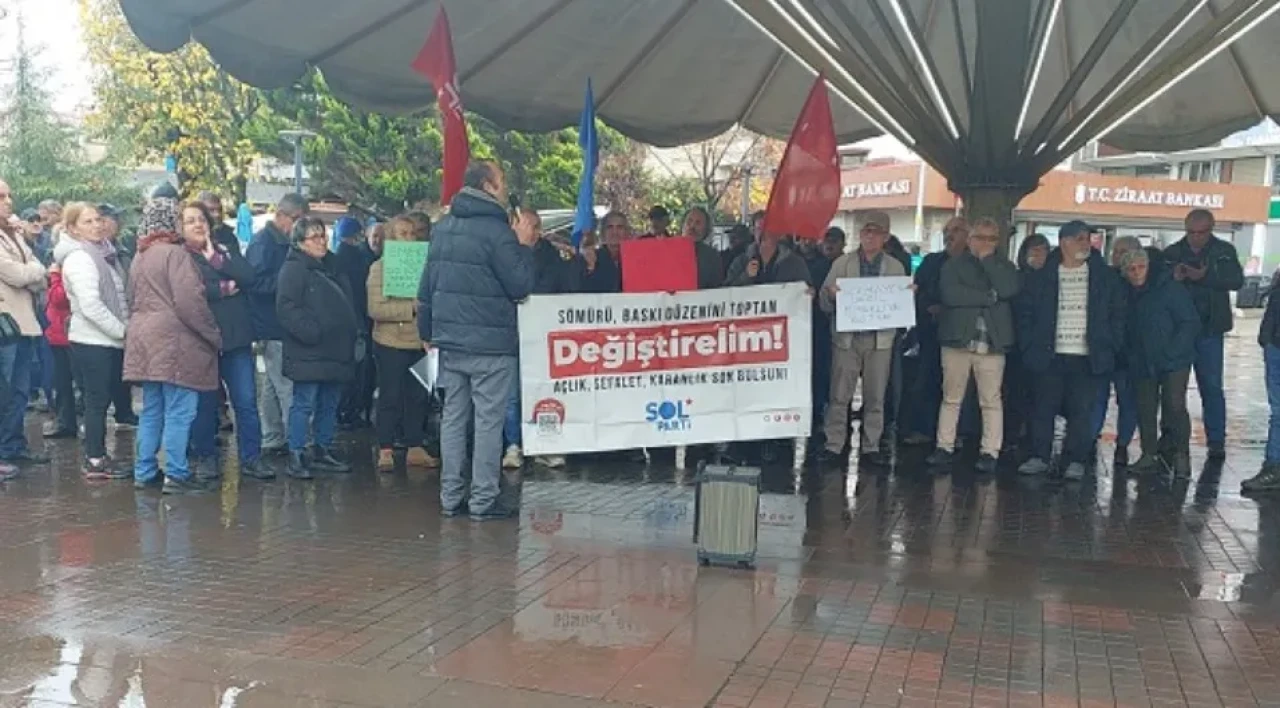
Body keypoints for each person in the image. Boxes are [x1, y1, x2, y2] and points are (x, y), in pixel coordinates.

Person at [418, 159, 537, 521]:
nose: (504, 188)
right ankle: (483, 500)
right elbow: (520, 285)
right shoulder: (498, 231)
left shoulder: (443, 226)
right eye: (500, 182)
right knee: (488, 420)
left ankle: (450, 497)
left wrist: (427, 332)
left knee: (454, 416)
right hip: (490, 344)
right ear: (488, 185)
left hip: (449, 340)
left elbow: (427, 286)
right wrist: (523, 246)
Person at [125, 199, 223, 495]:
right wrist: (213, 335)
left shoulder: (139, 256)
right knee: (180, 410)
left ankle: (144, 470)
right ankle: (177, 474)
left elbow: (132, 299)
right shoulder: (177, 255)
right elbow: (190, 302)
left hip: (144, 340)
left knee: (152, 409)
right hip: (175, 341)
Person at [1017, 221, 1126, 481]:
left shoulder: (1105, 277)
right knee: (1043, 408)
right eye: (1079, 239)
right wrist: (1030, 345)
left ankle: (1076, 459)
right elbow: (1026, 314)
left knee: (1082, 411)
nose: (1085, 243)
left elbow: (1118, 315)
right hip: (1049, 354)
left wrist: (1109, 343)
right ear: (1064, 241)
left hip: (1088, 356)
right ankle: (1039, 456)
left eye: (1087, 238)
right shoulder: (1043, 276)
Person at [180, 201, 268, 481]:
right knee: (205, 403)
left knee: (245, 401)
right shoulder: (180, 257)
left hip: (236, 337)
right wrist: (224, 287)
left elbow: (249, 276)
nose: (197, 225)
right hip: (201, 339)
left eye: (201, 219)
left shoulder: (225, 249)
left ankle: (251, 458)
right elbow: (192, 291)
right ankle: (206, 457)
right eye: (190, 220)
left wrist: (219, 264)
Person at [924, 217, 1019, 475]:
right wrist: (989, 297)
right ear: (969, 238)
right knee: (951, 397)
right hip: (958, 339)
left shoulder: (1006, 266)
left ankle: (990, 451)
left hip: (993, 342)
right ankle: (944, 446)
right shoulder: (953, 265)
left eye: (991, 239)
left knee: (991, 400)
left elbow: (1009, 289)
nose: (985, 243)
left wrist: (988, 262)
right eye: (980, 237)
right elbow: (951, 294)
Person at [818, 211, 907, 466]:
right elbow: (823, 301)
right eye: (866, 231)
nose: (869, 236)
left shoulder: (895, 267)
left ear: (885, 236)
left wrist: (906, 297)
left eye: (875, 231)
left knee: (876, 395)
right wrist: (831, 295)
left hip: (880, 341)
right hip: (847, 339)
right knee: (839, 394)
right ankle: (834, 444)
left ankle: (871, 445)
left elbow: (900, 308)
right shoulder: (842, 264)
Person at [277, 216, 358, 479]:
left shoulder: (332, 266)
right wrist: (312, 332)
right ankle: (297, 453)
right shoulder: (294, 269)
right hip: (309, 350)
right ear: (300, 242)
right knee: (304, 403)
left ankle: (322, 448)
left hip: (334, 349)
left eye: (323, 235)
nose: (321, 241)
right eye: (315, 237)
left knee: (329, 402)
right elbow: (287, 308)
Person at [1162, 209, 1243, 461]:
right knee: (1173, 389)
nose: (1196, 238)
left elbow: (1236, 280)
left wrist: (1205, 276)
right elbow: (1157, 285)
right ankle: (1170, 437)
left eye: (1202, 233)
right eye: (1192, 232)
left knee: (1211, 387)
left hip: (1210, 329)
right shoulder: (1172, 253)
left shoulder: (1224, 251)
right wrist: (1172, 276)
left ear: (1211, 229)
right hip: (1179, 331)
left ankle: (1216, 440)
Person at [57, 202, 129, 479]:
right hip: (92, 340)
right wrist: (122, 331)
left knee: (103, 397)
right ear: (73, 228)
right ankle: (95, 458)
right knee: (96, 400)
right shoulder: (80, 258)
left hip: (106, 339)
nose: (96, 226)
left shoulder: (104, 254)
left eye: (98, 220)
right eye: (87, 222)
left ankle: (97, 453)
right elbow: (91, 305)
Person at [503, 209, 580, 470]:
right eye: (528, 226)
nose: (534, 232)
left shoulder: (551, 256)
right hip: (510, 333)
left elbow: (560, 287)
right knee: (512, 393)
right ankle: (513, 444)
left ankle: (544, 444)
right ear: (514, 226)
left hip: (542, 333)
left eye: (537, 226)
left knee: (542, 391)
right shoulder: (502, 250)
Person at [1117, 247, 1198, 477]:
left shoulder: (1170, 289)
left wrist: (1173, 351)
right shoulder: (1126, 293)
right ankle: (1149, 453)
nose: (1136, 273)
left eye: (1141, 267)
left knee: (1175, 406)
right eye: (1131, 269)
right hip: (1142, 358)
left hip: (1174, 359)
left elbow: (1189, 322)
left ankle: (1182, 455)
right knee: (1146, 407)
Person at [367, 214, 437, 472]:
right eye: (402, 233)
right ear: (390, 238)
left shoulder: (425, 266)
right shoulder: (379, 268)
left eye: (412, 233)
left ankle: (414, 446)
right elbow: (375, 308)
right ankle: (385, 448)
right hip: (390, 342)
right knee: (390, 395)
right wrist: (411, 308)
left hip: (420, 342)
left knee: (419, 396)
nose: (409, 238)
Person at [246, 193, 310, 454]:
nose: (298, 225)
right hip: (271, 322)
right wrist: (287, 285)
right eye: (296, 219)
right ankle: (299, 443)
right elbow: (253, 282)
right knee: (286, 385)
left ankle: (272, 435)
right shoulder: (264, 243)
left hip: (276, 322)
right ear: (281, 215)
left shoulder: (279, 242)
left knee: (274, 385)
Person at [903, 217, 970, 446]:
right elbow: (916, 291)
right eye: (947, 231)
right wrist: (927, 306)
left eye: (956, 230)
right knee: (926, 380)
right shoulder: (931, 261)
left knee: (959, 386)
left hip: (962, 334)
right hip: (930, 332)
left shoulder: (974, 263)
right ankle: (924, 429)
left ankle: (958, 433)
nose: (950, 235)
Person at [0, 180, 47, 477]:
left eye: (8, 195)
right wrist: (33, 271)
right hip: (5, 325)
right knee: (4, 390)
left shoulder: (14, 235)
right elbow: (17, 274)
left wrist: (33, 271)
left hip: (25, 323)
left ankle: (12, 445)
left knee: (19, 391)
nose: (8, 201)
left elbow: (38, 273)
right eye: (1, 196)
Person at [1090, 236, 1142, 467]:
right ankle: (1091, 437)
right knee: (1097, 396)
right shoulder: (1105, 279)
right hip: (1106, 348)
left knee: (1127, 400)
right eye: (1117, 252)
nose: (1119, 256)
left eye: (1125, 252)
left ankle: (1123, 443)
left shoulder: (1141, 285)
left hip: (1129, 352)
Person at [1003, 232, 1050, 453]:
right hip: (1016, 344)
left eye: (1043, 249)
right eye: (1034, 250)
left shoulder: (1052, 279)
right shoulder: (1017, 277)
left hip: (1042, 345)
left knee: (1039, 394)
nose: (1038, 254)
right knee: (1015, 392)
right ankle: (1012, 433)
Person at [332, 215, 376, 430]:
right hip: (359, 320)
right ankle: (350, 411)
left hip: (348, 320)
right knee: (358, 369)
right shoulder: (357, 260)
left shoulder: (337, 259)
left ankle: (345, 411)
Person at [97, 204, 138, 428]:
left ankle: (124, 410)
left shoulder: (122, 249)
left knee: (123, 369)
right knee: (102, 376)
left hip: (125, 314)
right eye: (109, 220)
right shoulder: (90, 252)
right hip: (101, 320)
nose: (113, 225)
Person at [1243, 286, 1280, 493]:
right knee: (1277, 412)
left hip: (1274, 344)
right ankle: (1273, 466)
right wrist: (1266, 340)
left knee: (1278, 413)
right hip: (1275, 346)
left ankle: (1274, 466)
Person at [43, 256, 77, 441]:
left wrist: (55, 276)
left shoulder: (68, 269)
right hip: (58, 332)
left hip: (64, 332)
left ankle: (69, 422)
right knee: (62, 382)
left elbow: (59, 298)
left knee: (67, 381)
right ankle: (66, 421)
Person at [678, 206, 726, 290]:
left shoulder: (712, 256)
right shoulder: (666, 250)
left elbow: (716, 288)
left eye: (698, 223)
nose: (692, 226)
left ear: (705, 229)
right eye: (689, 221)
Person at [581, 211, 628, 293]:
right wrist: (590, 268)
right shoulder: (592, 258)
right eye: (610, 227)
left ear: (627, 232)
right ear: (603, 232)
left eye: (620, 227)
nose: (615, 232)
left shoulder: (635, 259)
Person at [198, 191, 242, 256]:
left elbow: (239, 264)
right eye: (211, 210)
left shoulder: (229, 237)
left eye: (219, 210)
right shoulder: (191, 240)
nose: (217, 214)